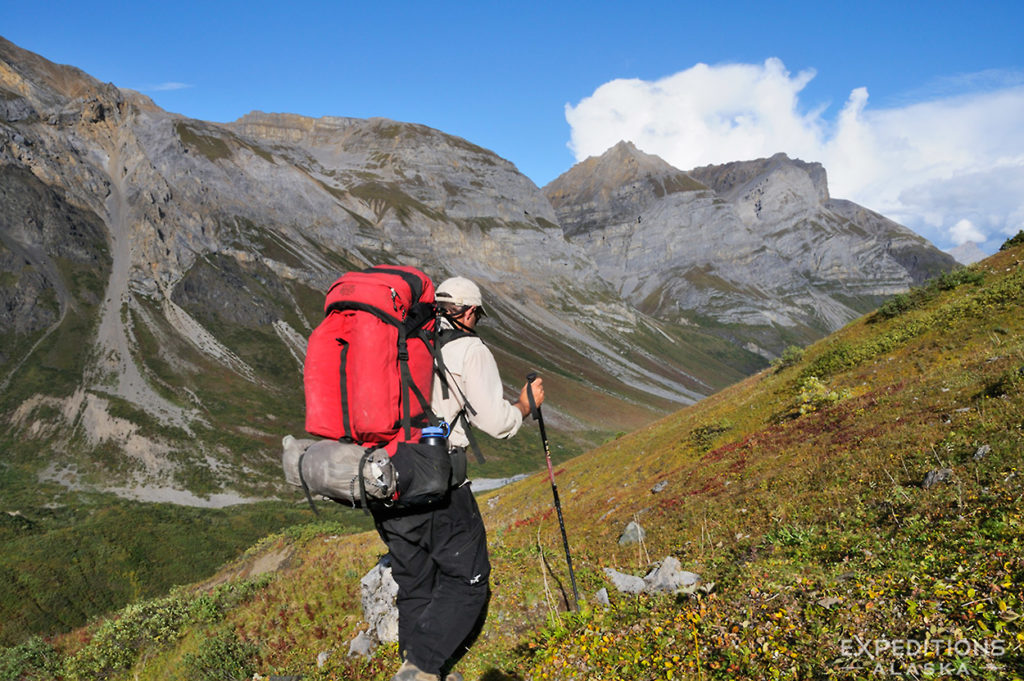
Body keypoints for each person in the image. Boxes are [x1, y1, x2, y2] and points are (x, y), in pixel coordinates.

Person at [375, 276, 545, 681]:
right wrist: (525, 406)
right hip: (438, 485)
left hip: (386, 477)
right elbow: (495, 421)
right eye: (478, 314)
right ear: (469, 312)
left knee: (416, 582)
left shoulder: (401, 342)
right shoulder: (470, 349)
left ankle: (417, 665)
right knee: (470, 581)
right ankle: (420, 669)